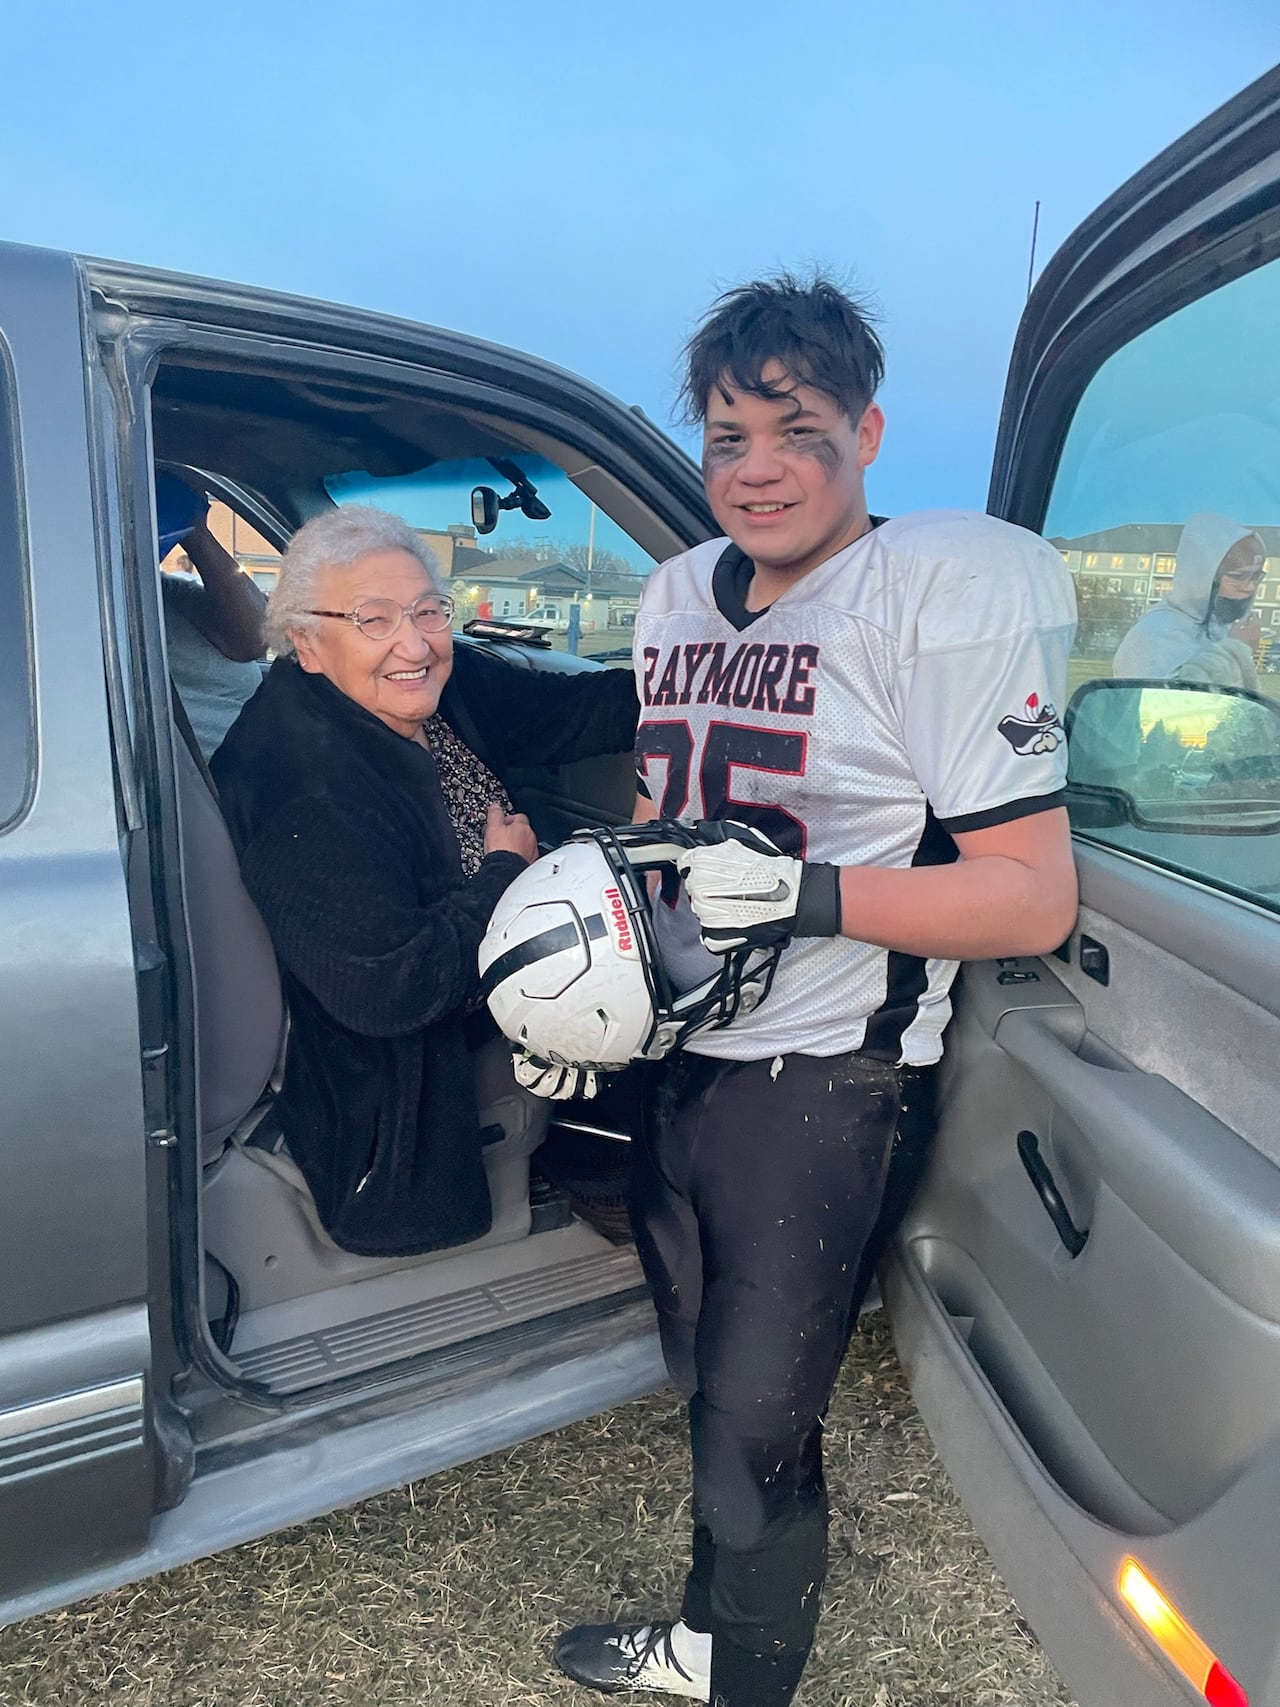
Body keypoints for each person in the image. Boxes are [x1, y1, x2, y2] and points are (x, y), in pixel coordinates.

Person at [551, 275, 1079, 1707]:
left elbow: (1032, 894)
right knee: (707, 1379)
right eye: (728, 437)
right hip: (686, 1053)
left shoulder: (934, 586)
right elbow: (667, 825)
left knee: (752, 1424)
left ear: (869, 432)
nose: (758, 466)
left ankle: (744, 1678)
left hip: (830, 1070)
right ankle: (717, 1634)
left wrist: (811, 892)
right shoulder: (674, 593)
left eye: (796, 430)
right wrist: (597, 992)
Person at [211, 505, 638, 1256]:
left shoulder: (424, 684)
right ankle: (609, 1177)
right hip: (407, 1060)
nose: (413, 644)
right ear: (307, 644)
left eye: (427, 610)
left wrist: (706, 680)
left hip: (492, 920)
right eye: (373, 620)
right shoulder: (301, 786)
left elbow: (572, 711)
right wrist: (508, 873)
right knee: (678, 964)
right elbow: (392, 987)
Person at [155, 473, 269, 760]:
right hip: (211, 794)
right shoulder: (99, 612)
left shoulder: (165, 593)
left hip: (265, 769)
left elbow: (255, 635)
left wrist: (195, 532)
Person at [1112, 513, 1265, 691]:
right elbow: (1174, 705)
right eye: (1239, 576)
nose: (1250, 587)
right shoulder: (1153, 634)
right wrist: (1236, 649)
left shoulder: (1224, 631)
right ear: (1203, 577)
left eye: (1256, 576)